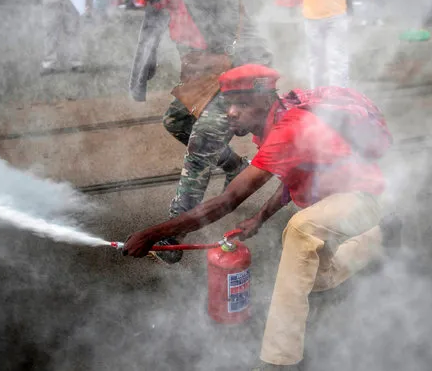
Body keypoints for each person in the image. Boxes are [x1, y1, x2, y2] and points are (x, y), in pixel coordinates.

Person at [124, 64, 399, 370]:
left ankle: (280, 359)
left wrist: (152, 234)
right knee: (314, 277)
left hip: (361, 198)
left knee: (299, 231)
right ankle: (379, 237)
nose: (231, 112)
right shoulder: (275, 125)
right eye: (228, 104)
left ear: (266, 100)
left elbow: (227, 201)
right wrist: (260, 218)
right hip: (339, 205)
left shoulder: (287, 128)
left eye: (241, 104)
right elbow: (292, 175)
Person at [128, 0, 272, 262]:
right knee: (176, 122)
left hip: (238, 70)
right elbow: (152, 19)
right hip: (205, 70)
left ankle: (170, 237)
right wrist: (140, 73)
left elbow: (234, 36)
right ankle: (235, 167)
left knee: (202, 146)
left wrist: (236, 86)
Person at [293, 0, 359, 89]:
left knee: (337, 60)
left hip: (337, 13)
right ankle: (316, 96)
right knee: (315, 62)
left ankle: (339, 98)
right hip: (311, 15)